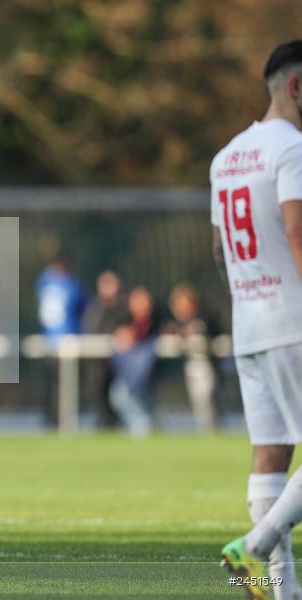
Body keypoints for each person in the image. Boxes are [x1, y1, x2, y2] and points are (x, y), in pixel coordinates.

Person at [213, 41, 302, 600]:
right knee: (275, 451)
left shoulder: (226, 155)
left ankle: (282, 589)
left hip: (250, 320)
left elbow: (222, 251)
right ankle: (257, 542)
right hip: (295, 320)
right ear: (297, 88)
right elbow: (297, 231)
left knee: (272, 451)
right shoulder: (292, 148)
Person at [160, 283, 218, 433]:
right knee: (198, 403)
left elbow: (202, 332)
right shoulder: (177, 322)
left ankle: (210, 432)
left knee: (205, 401)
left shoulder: (204, 317)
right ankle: (205, 431)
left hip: (207, 367)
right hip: (190, 369)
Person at [36, 256, 86, 426]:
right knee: (60, 384)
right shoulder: (70, 285)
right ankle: (58, 418)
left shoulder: (44, 282)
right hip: (65, 341)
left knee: (56, 384)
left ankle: (56, 418)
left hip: (53, 342)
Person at [81, 270, 130, 429]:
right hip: (96, 363)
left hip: (119, 363)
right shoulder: (94, 308)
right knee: (97, 396)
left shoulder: (124, 308)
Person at [108, 286, 157, 438]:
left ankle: (143, 426)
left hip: (145, 371)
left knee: (126, 396)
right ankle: (139, 426)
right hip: (127, 371)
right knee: (119, 396)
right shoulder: (124, 319)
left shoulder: (155, 321)